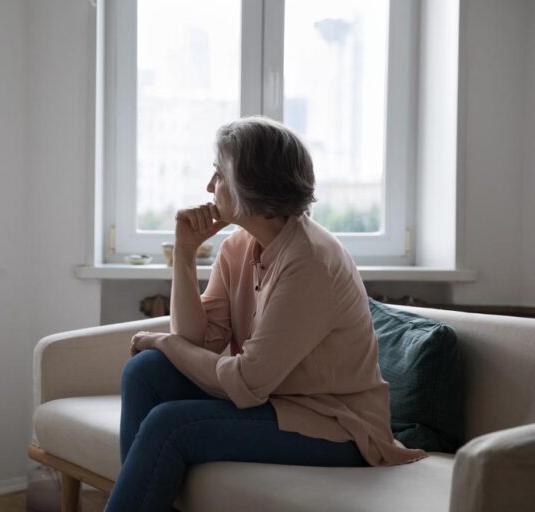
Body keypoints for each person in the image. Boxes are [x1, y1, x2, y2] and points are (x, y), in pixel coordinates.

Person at [103, 116, 426, 512]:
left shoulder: (310, 261)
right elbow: (196, 342)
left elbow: (245, 381)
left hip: (337, 425)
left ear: (249, 186)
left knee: (170, 425)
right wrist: (184, 254)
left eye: (219, 175)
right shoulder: (239, 246)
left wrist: (165, 342)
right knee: (145, 371)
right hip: (275, 402)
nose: (208, 186)